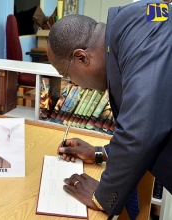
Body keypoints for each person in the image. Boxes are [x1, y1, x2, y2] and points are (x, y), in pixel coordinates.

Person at [47, 0, 172, 218]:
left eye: (67, 75)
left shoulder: (144, 37)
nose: (73, 84)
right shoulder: (134, 27)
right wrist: (100, 153)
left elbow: (141, 132)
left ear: (81, 57)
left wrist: (101, 196)